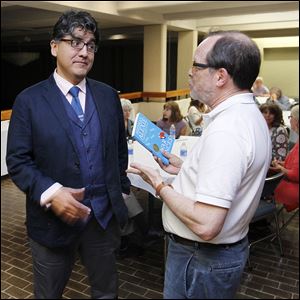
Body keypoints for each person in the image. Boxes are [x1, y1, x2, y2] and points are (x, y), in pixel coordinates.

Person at [127, 30, 271, 299]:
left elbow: (206, 224)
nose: (190, 72)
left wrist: (158, 183)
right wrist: (186, 168)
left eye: (196, 65)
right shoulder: (246, 115)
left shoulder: (227, 130)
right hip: (214, 256)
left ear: (220, 76)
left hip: (200, 258)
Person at [6, 10, 130, 299]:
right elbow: (18, 161)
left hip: (103, 221)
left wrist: (119, 192)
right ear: (54, 47)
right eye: (75, 42)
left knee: (106, 293)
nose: (84, 52)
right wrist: (51, 192)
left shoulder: (108, 96)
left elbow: (118, 151)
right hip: (51, 224)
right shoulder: (29, 101)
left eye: (90, 45)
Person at [270, 104, 299, 212]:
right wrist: (282, 164)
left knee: (259, 186)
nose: (290, 120)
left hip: (294, 188)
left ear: (296, 121)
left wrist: (280, 168)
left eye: (290, 117)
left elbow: (295, 175)